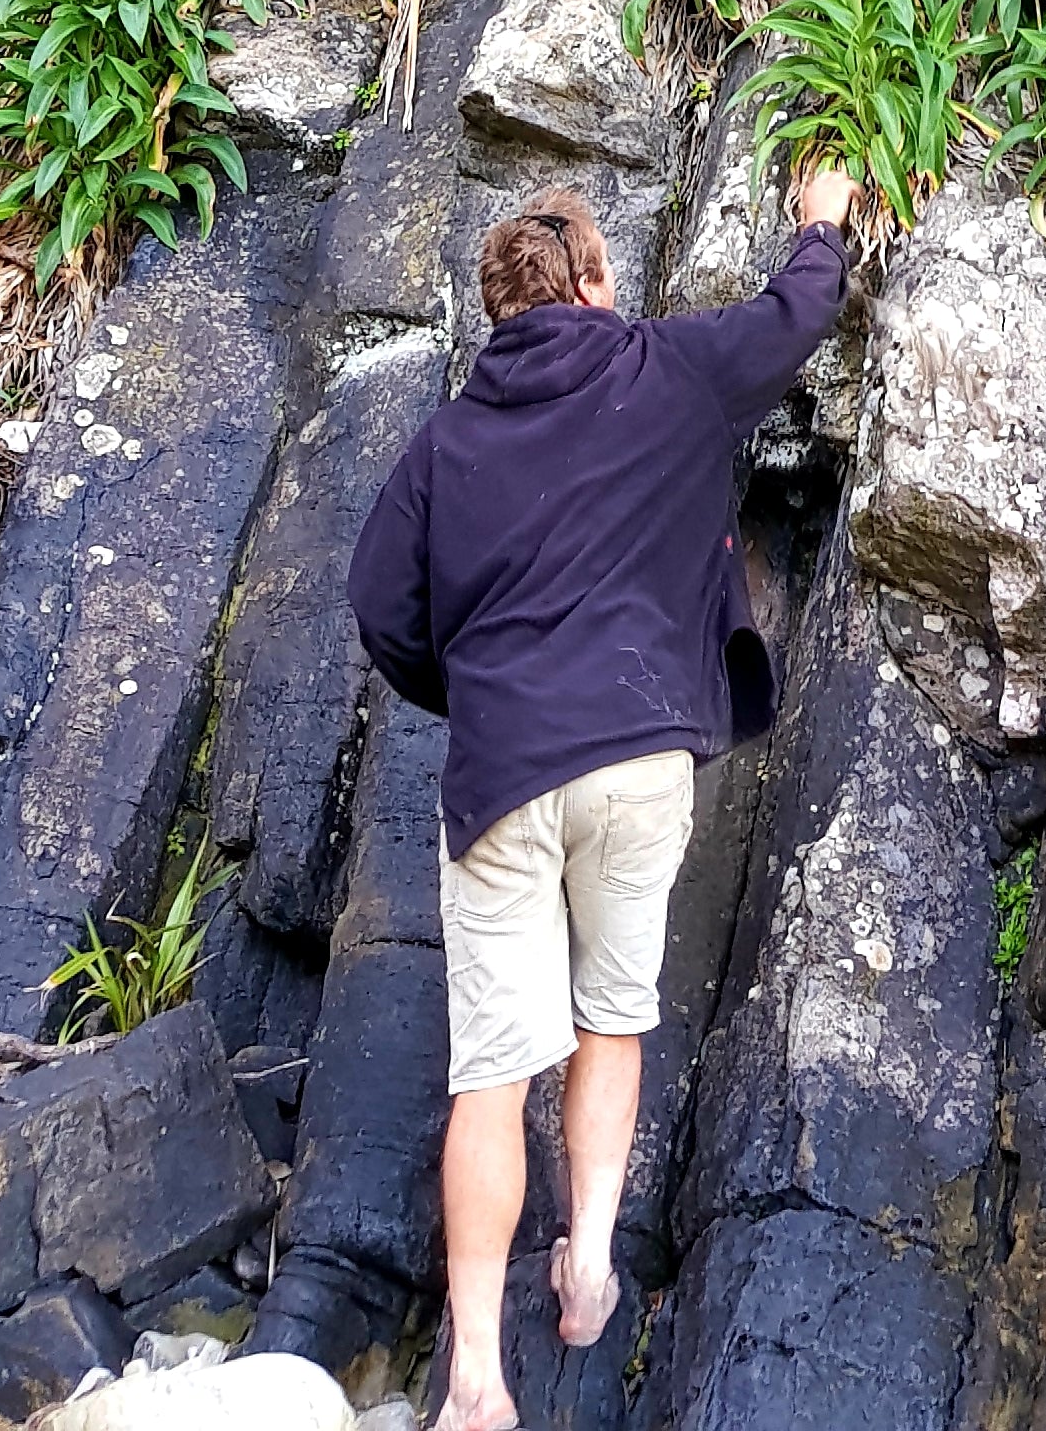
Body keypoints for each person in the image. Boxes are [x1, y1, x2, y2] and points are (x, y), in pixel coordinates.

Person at [347, 167, 857, 1431]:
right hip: (640, 753)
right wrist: (822, 224)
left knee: (488, 1077)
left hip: (507, 768)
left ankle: (474, 1373)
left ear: (497, 312)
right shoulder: (662, 370)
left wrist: (474, 686)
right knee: (611, 1021)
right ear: (587, 282)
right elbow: (790, 322)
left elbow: (379, 611)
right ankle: (585, 1259)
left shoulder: (446, 442)